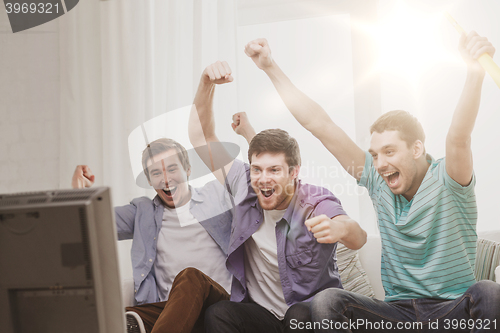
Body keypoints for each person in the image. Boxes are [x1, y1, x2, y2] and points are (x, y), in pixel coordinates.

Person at [243, 32, 500, 332]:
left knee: (489, 291)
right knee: (328, 301)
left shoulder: (449, 179)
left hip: (453, 311)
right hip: (399, 316)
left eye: (389, 152)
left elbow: (458, 136)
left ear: (417, 149)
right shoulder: (377, 181)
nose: (379, 164)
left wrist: (474, 71)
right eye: (375, 155)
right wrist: (269, 66)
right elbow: (320, 124)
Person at [188, 61, 367, 333]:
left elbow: (358, 237)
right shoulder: (242, 183)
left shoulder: (315, 201)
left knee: (298, 313)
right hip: (262, 317)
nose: (263, 178)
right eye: (257, 169)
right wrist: (205, 83)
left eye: (274, 170)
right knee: (219, 313)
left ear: (294, 172)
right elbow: (201, 137)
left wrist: (338, 227)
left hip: (309, 316)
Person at [71, 136, 247, 333]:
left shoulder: (216, 196)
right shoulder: (142, 212)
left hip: (219, 304)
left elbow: (250, 184)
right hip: (171, 314)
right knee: (112, 319)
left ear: (188, 170)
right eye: (156, 173)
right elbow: (92, 223)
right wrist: (79, 192)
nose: (165, 179)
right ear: (149, 180)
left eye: (172, 169)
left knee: (191, 277)